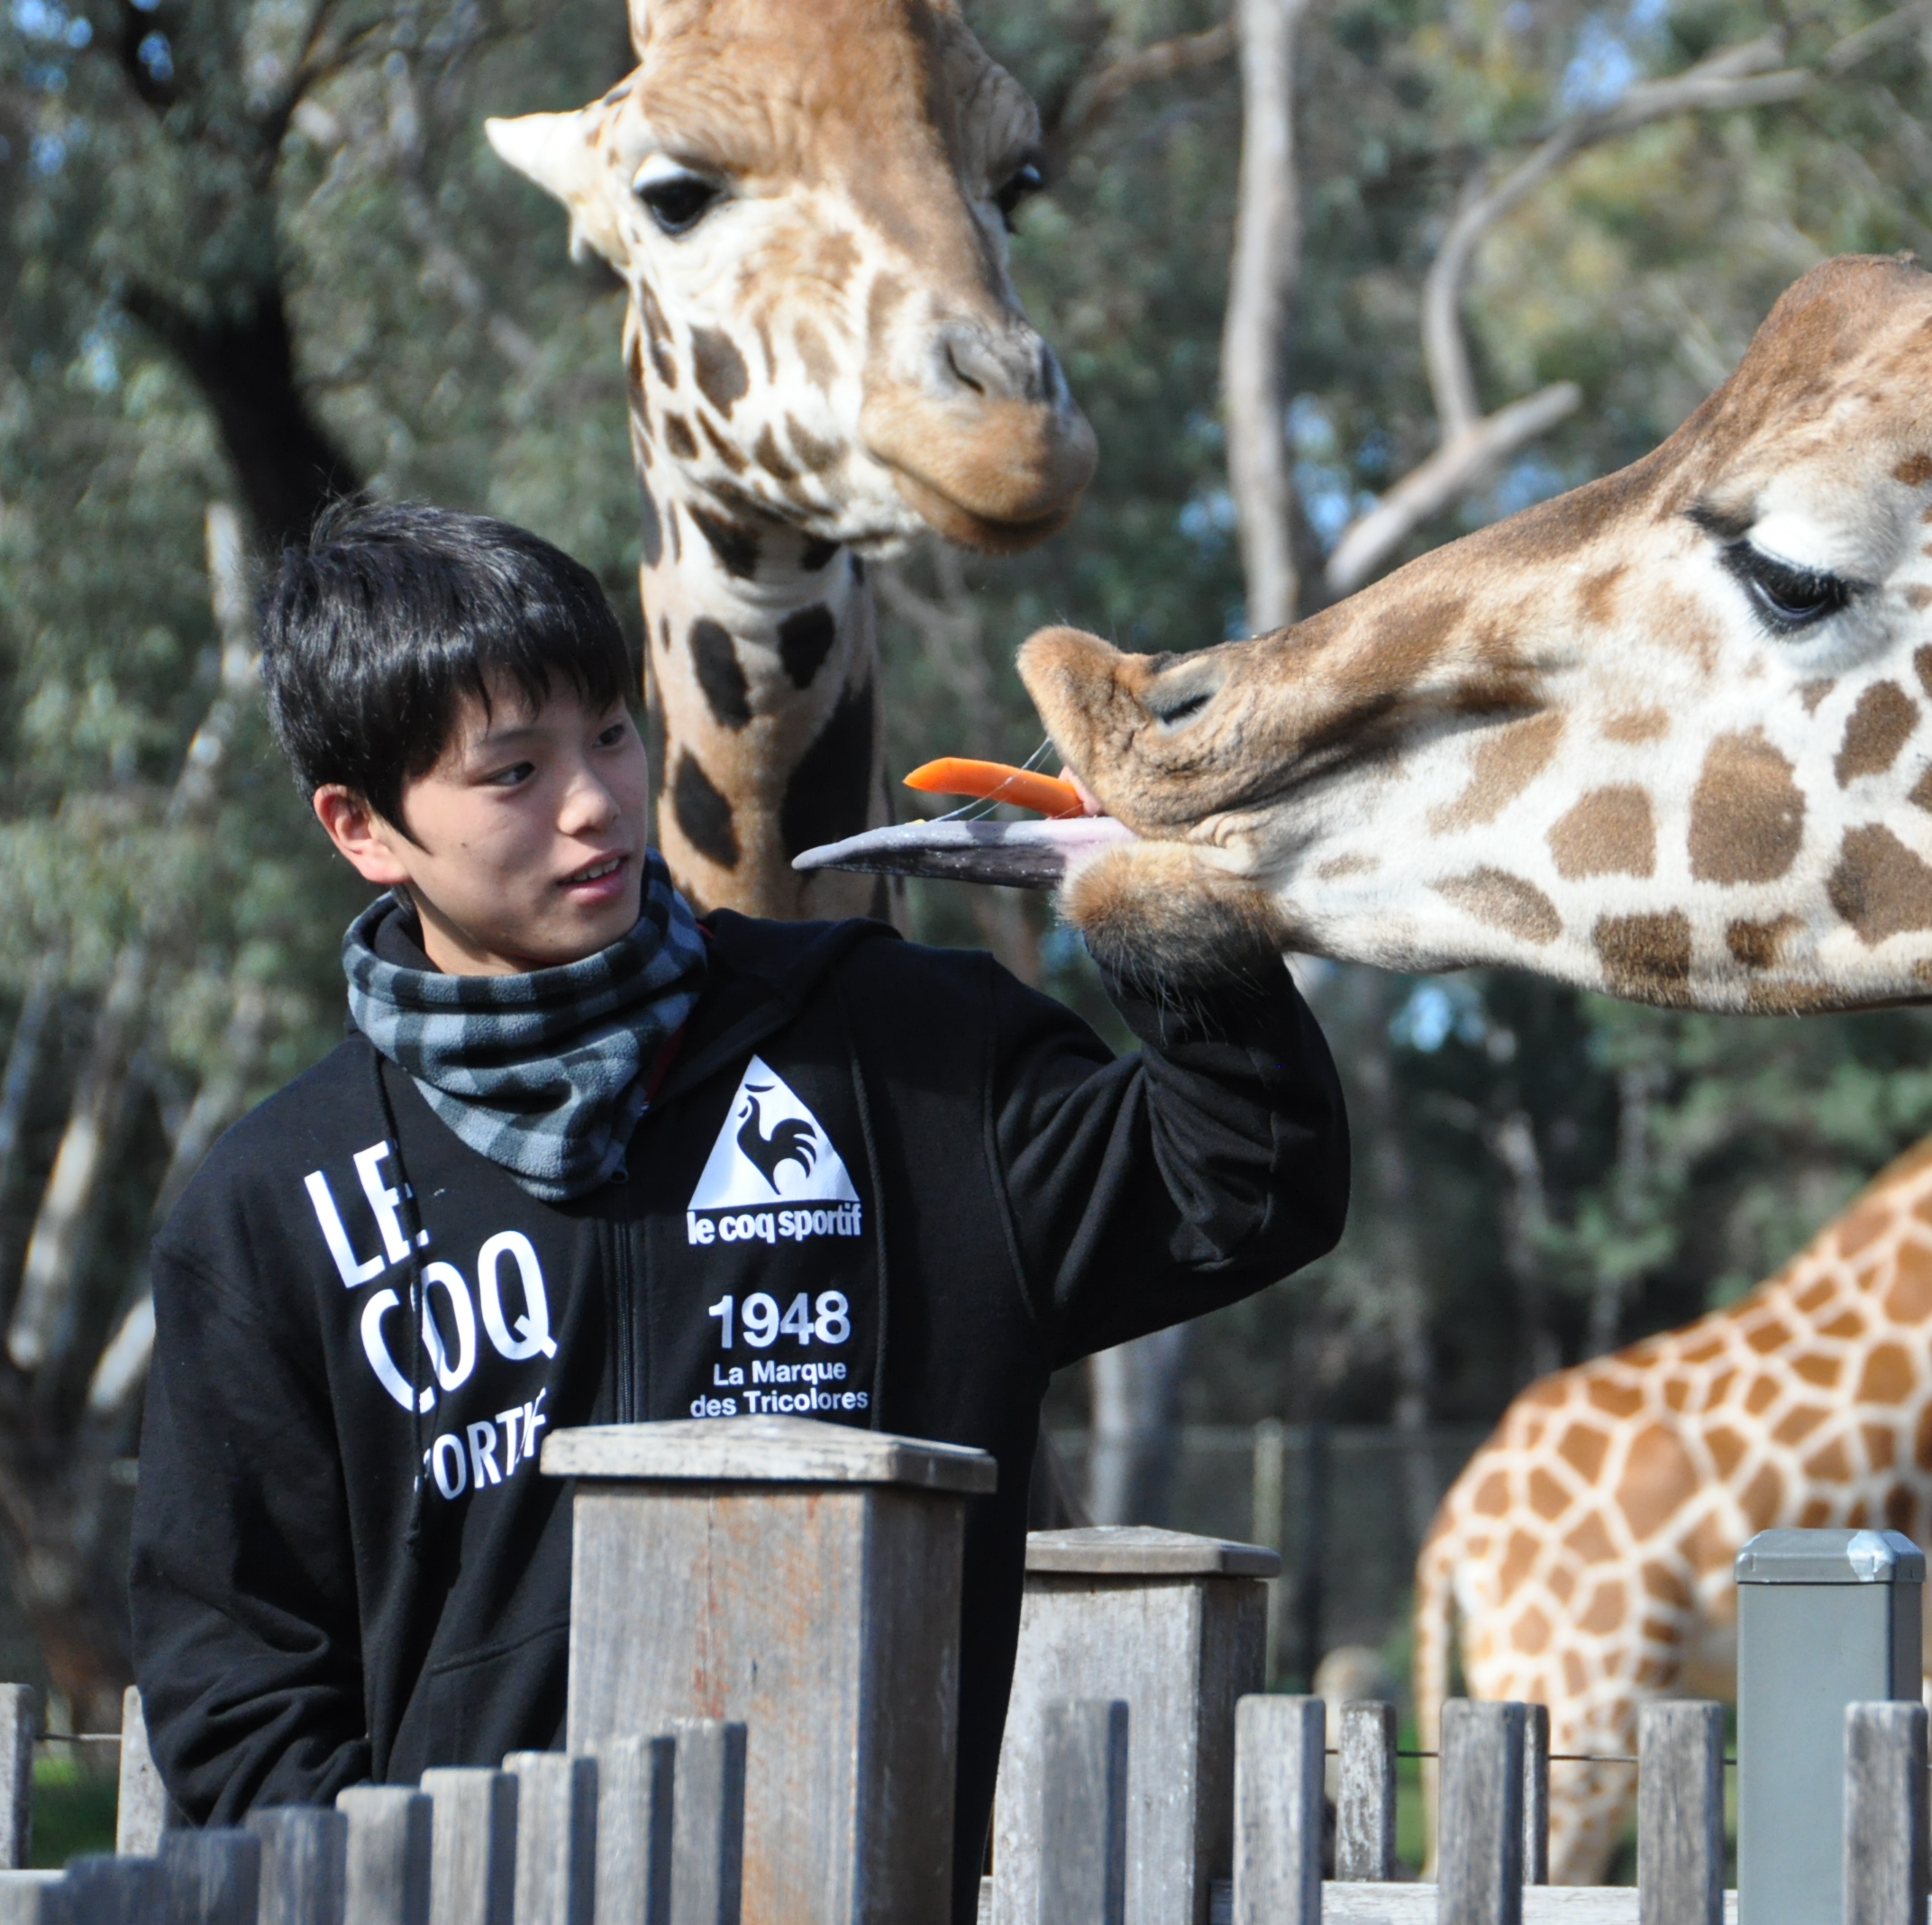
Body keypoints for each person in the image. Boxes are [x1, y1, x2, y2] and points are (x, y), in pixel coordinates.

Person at [129, 501, 1349, 1895]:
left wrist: (1160, 910)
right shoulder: (271, 1205)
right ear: (363, 829)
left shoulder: (897, 1046)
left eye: (609, 731)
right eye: (512, 771)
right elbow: (242, 1694)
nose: (593, 799)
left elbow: (1249, 1188)